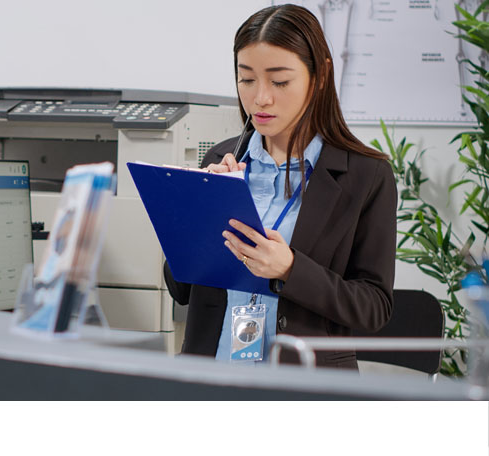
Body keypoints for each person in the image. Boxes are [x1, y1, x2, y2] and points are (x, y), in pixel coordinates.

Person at [163, 4, 395, 369]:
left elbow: (374, 307)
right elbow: (181, 290)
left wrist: (290, 269)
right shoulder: (224, 159)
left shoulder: (366, 174)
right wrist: (197, 215)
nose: (260, 98)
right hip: (211, 376)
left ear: (318, 77)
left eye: (279, 81)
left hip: (302, 387)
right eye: (247, 79)